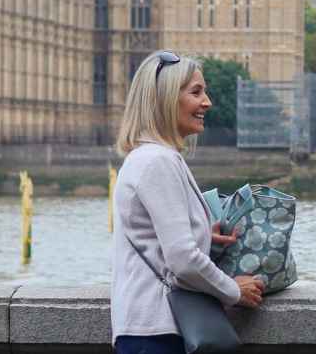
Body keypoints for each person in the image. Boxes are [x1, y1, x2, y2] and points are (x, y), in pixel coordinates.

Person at [111, 50, 264, 354]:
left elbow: (157, 243)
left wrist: (205, 236)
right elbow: (181, 260)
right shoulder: (157, 162)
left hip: (149, 328)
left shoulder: (152, 158)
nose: (207, 102)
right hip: (156, 334)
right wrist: (234, 290)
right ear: (165, 99)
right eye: (196, 92)